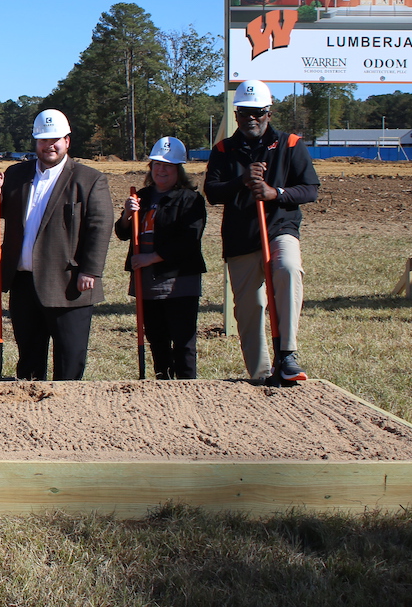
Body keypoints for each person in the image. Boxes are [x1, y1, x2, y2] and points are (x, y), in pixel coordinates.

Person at [0, 108, 112, 380]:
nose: (49, 146)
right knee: (29, 356)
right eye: (43, 140)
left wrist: (90, 270)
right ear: (36, 143)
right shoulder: (17, 174)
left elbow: (99, 227)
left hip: (69, 282)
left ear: (67, 141)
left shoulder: (89, 180)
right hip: (24, 281)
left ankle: (66, 410)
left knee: (69, 357)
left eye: (55, 140)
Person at [204, 80, 319, 385]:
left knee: (288, 269)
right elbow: (212, 192)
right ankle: (260, 374)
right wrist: (241, 180)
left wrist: (275, 193)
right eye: (244, 113)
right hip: (241, 235)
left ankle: (288, 355)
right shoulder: (224, 149)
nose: (251, 119)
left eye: (258, 113)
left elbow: (310, 189)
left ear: (269, 112)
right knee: (250, 306)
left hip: (279, 228)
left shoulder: (290, 144)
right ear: (236, 114)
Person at [115, 137, 206, 380]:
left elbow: (189, 239)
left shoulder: (190, 199)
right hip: (147, 282)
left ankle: (188, 386)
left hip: (179, 281)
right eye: (157, 165)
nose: (161, 170)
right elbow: (123, 233)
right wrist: (127, 214)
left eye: (168, 166)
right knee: (156, 338)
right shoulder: (141, 197)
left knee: (183, 341)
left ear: (179, 169)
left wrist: (151, 258)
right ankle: (162, 383)